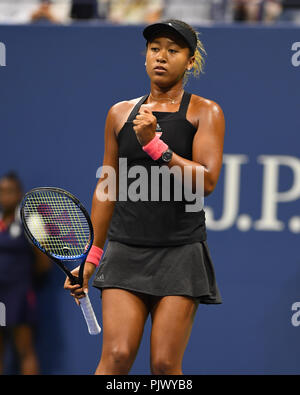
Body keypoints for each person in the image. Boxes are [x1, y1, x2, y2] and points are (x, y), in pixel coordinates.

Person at [64, 19, 225, 375]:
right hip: (125, 251)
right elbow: (107, 187)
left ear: (190, 60)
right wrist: (91, 258)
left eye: (173, 50)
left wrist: (155, 146)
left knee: (165, 365)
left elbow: (208, 182)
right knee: (117, 357)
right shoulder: (119, 114)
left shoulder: (205, 112)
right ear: (146, 56)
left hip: (180, 253)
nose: (161, 57)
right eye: (155, 49)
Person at [0, 172, 50, 375]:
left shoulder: (32, 221)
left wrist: (24, 282)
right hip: (0, 294)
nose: (5, 196)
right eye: (1, 191)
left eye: (10, 191)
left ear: (19, 194)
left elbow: (43, 263)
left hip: (20, 293)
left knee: (24, 349)